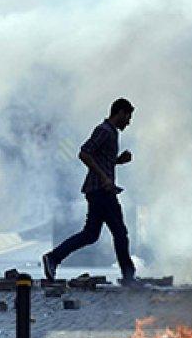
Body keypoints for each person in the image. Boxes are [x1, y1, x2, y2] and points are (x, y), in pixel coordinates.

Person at [42, 98, 139, 286]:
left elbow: (101, 158)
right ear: (119, 112)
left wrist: (118, 160)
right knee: (120, 232)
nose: (128, 122)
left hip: (98, 191)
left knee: (91, 234)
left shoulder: (111, 133)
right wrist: (104, 178)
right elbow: (84, 153)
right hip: (101, 191)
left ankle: (53, 258)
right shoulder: (104, 131)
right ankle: (128, 276)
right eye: (128, 117)